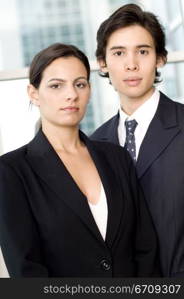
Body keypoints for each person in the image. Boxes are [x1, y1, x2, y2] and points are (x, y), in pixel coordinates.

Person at [0, 43, 159, 277]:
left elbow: (145, 247)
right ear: (33, 94)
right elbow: (26, 269)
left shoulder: (116, 157)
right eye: (56, 85)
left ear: (89, 90)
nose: (71, 94)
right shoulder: (12, 171)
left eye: (80, 84)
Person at [91, 3, 184, 277]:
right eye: (119, 53)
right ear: (103, 63)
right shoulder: (96, 145)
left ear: (160, 59)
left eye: (142, 51)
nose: (131, 64)